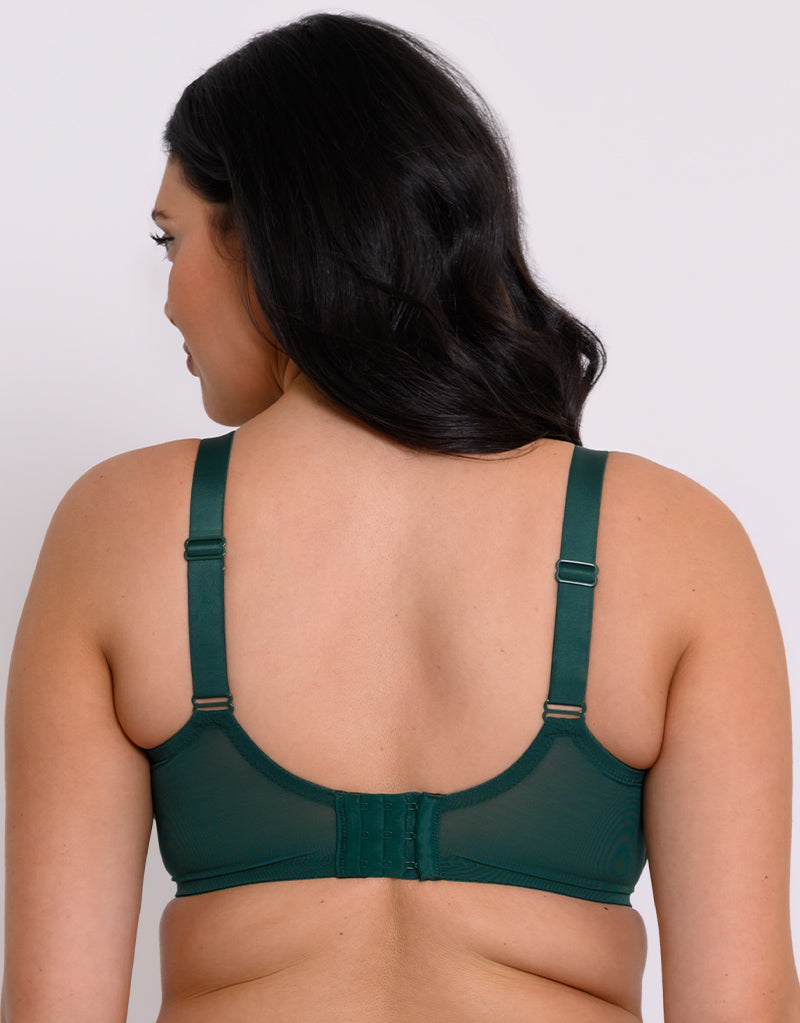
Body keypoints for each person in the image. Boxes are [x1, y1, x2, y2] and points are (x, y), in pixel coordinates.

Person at [3, 12, 797, 1022]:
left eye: (173, 240)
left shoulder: (119, 529)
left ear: (269, 232)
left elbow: (53, 1009)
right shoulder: (675, 543)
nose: (166, 301)